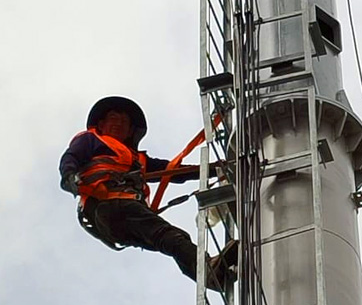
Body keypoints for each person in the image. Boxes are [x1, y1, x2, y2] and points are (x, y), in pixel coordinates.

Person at [59, 95, 235, 290]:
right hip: (108, 205)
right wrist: (69, 176)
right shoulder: (91, 139)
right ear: (101, 124)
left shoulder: (136, 160)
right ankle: (209, 269)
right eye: (113, 118)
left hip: (118, 219)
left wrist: (215, 169)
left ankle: (211, 275)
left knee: (169, 241)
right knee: (169, 237)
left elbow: (174, 172)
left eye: (124, 122)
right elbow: (71, 157)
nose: (119, 124)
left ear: (131, 131)